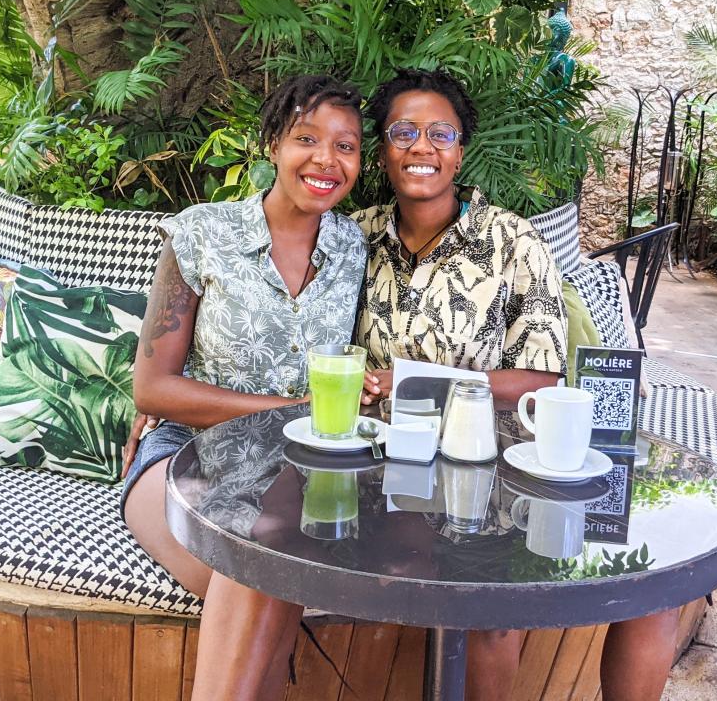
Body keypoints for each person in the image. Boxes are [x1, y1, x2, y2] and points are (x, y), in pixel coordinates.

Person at [355, 68, 681, 701]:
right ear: (382, 149)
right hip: (377, 468)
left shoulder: (514, 242)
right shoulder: (354, 237)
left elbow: (538, 378)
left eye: (440, 133)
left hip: (486, 470)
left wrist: (415, 381)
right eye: (403, 131)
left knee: (499, 618)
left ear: (460, 149)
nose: (422, 147)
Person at [119, 74, 367, 701]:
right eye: (306, 139)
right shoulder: (203, 233)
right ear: (271, 146)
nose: (326, 160)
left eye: (346, 146)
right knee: (263, 569)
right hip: (183, 454)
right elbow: (152, 389)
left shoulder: (356, 246)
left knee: (274, 566)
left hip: (299, 475)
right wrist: (294, 409)